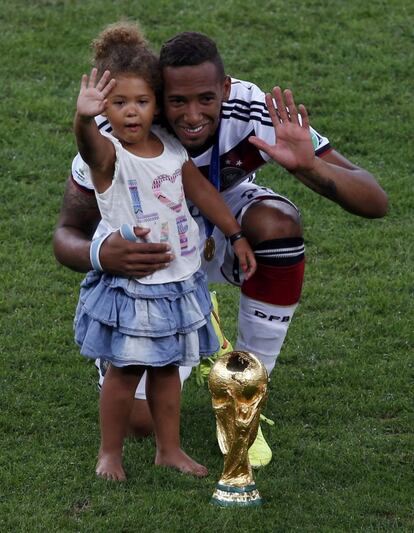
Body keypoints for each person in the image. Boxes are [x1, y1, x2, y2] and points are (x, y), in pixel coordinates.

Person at [54, 30, 388, 469]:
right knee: (138, 422)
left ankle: (244, 389)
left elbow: (375, 202)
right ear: (157, 96)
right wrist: (102, 255)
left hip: (222, 226)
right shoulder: (117, 124)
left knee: (278, 224)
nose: (192, 115)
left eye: (206, 99)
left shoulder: (251, 108)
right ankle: (191, 321)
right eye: (176, 102)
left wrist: (311, 167)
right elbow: (67, 232)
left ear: (226, 90)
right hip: (148, 255)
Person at [71, 22, 256, 481]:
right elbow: (88, 146)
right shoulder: (109, 154)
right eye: (118, 103)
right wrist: (82, 119)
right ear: (105, 110)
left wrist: (235, 233)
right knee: (125, 370)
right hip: (135, 287)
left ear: (155, 104)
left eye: (140, 102)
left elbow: (205, 194)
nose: (130, 113)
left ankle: (167, 449)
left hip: (177, 281)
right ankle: (109, 453)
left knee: (169, 371)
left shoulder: (172, 148)